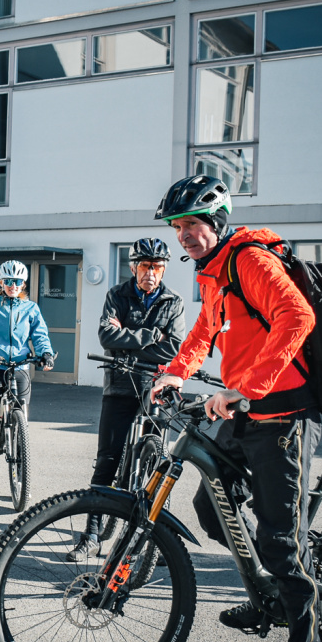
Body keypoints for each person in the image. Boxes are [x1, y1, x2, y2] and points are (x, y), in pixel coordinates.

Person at [149, 174, 322, 642]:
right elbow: (206, 328)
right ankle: (268, 595)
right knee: (211, 502)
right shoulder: (211, 272)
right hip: (245, 410)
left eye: (193, 225)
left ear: (217, 222)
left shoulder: (249, 260)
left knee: (282, 543)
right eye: (178, 227)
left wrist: (245, 389)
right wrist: (175, 373)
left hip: (283, 415)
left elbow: (299, 317)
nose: (184, 234)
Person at [67, 238, 186, 562]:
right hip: (120, 385)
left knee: (159, 462)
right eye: (145, 266)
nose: (151, 272)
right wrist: (151, 336)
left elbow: (174, 347)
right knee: (107, 459)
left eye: (157, 267)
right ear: (134, 267)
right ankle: (91, 536)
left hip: (156, 386)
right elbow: (107, 336)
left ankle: (160, 537)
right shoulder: (117, 295)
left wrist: (130, 339)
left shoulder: (173, 301)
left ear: (163, 269)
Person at [0, 260, 54, 503]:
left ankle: (21, 481)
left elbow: (40, 335)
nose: (12, 285)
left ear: (23, 283)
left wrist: (45, 353)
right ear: (1, 282)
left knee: (21, 422)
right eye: (8, 281)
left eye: (17, 282)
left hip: (20, 368)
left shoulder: (31, 308)